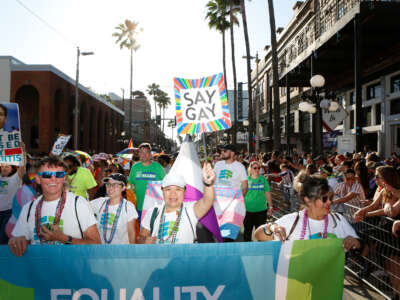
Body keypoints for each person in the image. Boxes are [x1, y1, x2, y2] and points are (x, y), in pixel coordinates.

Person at [8, 156, 101, 257]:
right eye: (47, 175)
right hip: (40, 271)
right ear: (38, 179)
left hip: (73, 271)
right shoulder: (28, 208)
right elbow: (20, 241)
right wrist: (16, 241)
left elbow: (96, 244)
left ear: (64, 177)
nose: (53, 179)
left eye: (59, 174)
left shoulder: (78, 203)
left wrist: (63, 238)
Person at [254, 171, 360, 253]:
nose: (329, 202)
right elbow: (258, 235)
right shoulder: (293, 220)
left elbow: (364, 251)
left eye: (330, 197)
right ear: (308, 200)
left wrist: (358, 244)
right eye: (324, 198)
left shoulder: (338, 220)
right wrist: (272, 227)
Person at [138, 162, 216, 244]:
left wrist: (208, 183)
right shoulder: (153, 212)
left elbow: (207, 200)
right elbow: (140, 238)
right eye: (168, 189)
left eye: (178, 189)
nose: (173, 194)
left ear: (184, 192)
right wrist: (145, 240)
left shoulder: (190, 210)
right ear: (162, 191)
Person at [91, 173, 138, 244]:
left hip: (120, 251)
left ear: (123, 188)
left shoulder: (128, 207)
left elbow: (131, 233)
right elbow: (82, 207)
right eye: (108, 184)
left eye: (115, 185)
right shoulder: (99, 202)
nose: (110, 188)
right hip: (100, 250)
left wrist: (131, 252)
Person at [128, 143, 165, 222]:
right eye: (141, 152)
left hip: (155, 207)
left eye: (146, 152)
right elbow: (130, 185)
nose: (144, 155)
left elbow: (165, 184)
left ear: (150, 154)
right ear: (139, 154)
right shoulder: (135, 167)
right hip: (139, 206)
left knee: (153, 232)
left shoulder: (158, 167)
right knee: (141, 232)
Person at [243, 161, 273, 242]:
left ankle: (260, 250)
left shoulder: (263, 179)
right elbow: (241, 194)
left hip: (261, 211)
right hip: (248, 210)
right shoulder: (245, 180)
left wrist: (270, 207)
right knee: (247, 232)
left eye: (259, 168)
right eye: (255, 168)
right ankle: (247, 249)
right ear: (250, 169)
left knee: (261, 233)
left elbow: (267, 193)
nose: (257, 169)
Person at [0, 163, 25, 244]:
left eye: (7, 166)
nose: (4, 168)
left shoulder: (16, 178)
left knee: (3, 237)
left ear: (12, 168)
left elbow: (22, 168)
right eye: (2, 166)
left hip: (9, 212)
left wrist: (21, 155)